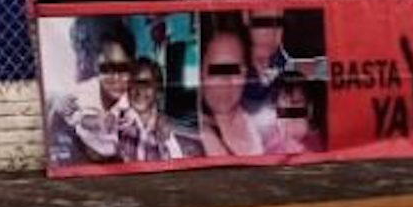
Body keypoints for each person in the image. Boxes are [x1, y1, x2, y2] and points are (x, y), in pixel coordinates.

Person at [46, 18, 136, 165]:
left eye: (122, 68)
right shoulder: (76, 99)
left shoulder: (132, 101)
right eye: (106, 69)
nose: (115, 78)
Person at [199, 28, 279, 157]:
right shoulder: (186, 131)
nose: (226, 81)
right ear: (201, 74)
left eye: (234, 70)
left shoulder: (266, 127)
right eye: (217, 70)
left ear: (245, 74)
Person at [119, 57, 187, 161]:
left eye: (146, 84)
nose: (139, 90)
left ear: (158, 92)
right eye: (134, 84)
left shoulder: (167, 132)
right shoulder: (119, 124)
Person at [266, 70, 325, 154]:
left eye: (299, 101)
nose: (292, 107)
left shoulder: (316, 138)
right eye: (286, 99)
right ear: (275, 104)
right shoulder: (272, 143)